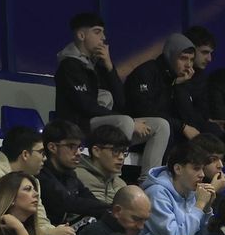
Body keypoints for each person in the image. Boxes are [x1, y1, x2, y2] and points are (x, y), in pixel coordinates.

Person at [54, 12, 169, 171]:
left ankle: (149, 179)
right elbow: (85, 106)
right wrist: (131, 122)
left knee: (161, 125)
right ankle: (112, 175)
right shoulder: (69, 66)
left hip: (102, 123)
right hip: (79, 125)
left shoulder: (98, 64)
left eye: (103, 32)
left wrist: (109, 67)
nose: (103, 37)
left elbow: (121, 102)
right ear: (81, 35)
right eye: (97, 32)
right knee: (125, 122)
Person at [143, 142, 215, 235]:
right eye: (196, 168)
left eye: (202, 169)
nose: (202, 175)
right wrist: (199, 205)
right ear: (178, 169)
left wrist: (206, 209)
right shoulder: (156, 193)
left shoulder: (191, 192)